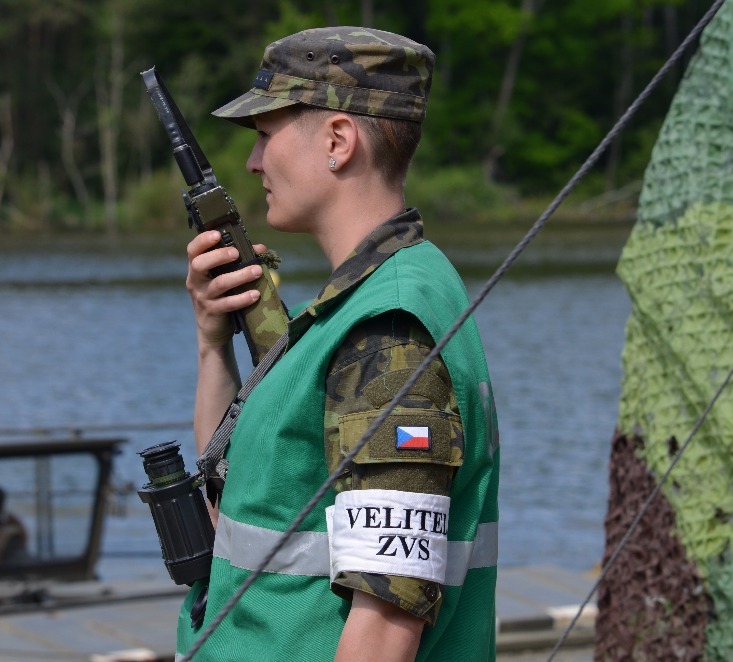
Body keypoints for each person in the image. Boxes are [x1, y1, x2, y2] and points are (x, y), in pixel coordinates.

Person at [179, 27, 500, 661]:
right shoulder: (362, 304)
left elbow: (385, 624)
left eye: (266, 136)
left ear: (337, 141)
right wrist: (212, 342)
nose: (252, 163)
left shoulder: (388, 330)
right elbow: (241, 491)